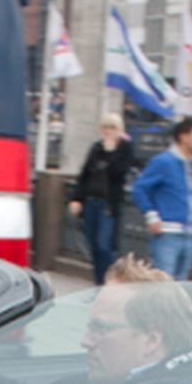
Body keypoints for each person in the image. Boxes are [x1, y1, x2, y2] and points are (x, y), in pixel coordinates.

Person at [129, 116, 192, 280]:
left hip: (188, 232)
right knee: (164, 282)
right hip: (167, 232)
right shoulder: (163, 162)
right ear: (184, 137)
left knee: (181, 284)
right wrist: (151, 216)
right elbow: (139, 189)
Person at [67, 112, 134, 280]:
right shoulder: (96, 148)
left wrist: (111, 152)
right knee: (94, 246)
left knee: (105, 246)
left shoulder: (125, 148)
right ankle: (99, 282)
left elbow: (119, 173)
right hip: (91, 201)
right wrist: (77, 198)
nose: (108, 131)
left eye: (112, 128)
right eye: (105, 127)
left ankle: (110, 281)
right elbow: (85, 175)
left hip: (108, 205)